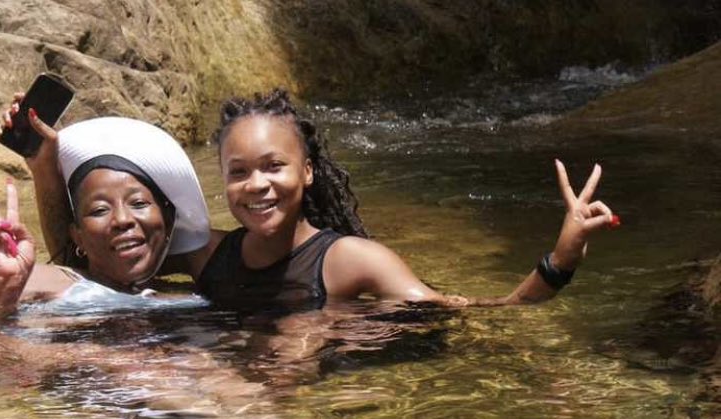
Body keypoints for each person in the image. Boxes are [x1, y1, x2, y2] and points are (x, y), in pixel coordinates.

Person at [188, 89, 620, 310]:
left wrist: (562, 259)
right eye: (239, 172)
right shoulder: (206, 254)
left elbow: (484, 313)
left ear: (307, 171)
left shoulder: (350, 261)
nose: (257, 184)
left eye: (273, 166)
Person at [0, 116, 211, 320]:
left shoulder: (189, 297)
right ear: (78, 237)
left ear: (168, 220)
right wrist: (5, 286)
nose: (121, 220)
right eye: (99, 210)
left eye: (138, 203)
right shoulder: (50, 283)